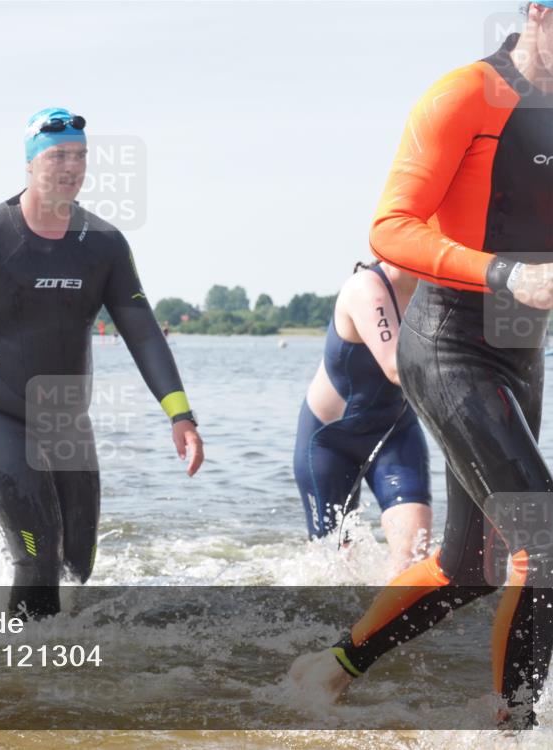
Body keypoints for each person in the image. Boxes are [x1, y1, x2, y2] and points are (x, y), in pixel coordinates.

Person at [290, 6, 553, 727]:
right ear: (536, 13)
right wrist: (504, 275)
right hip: (449, 344)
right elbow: (390, 225)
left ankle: (332, 667)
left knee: (471, 566)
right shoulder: (463, 95)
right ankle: (513, 722)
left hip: (522, 356)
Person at [0, 108, 205, 618]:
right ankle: (22, 678)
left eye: (80, 156)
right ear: (29, 164)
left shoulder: (104, 244)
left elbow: (142, 330)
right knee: (39, 559)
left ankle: (54, 660)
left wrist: (180, 416)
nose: (71, 167)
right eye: (58, 156)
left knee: (79, 562)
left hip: (65, 419)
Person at [293, 260, 431, 577]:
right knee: (334, 566)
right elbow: (397, 368)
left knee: (413, 553)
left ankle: (392, 621)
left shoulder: (437, 291)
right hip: (328, 441)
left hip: (395, 433)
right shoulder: (366, 288)